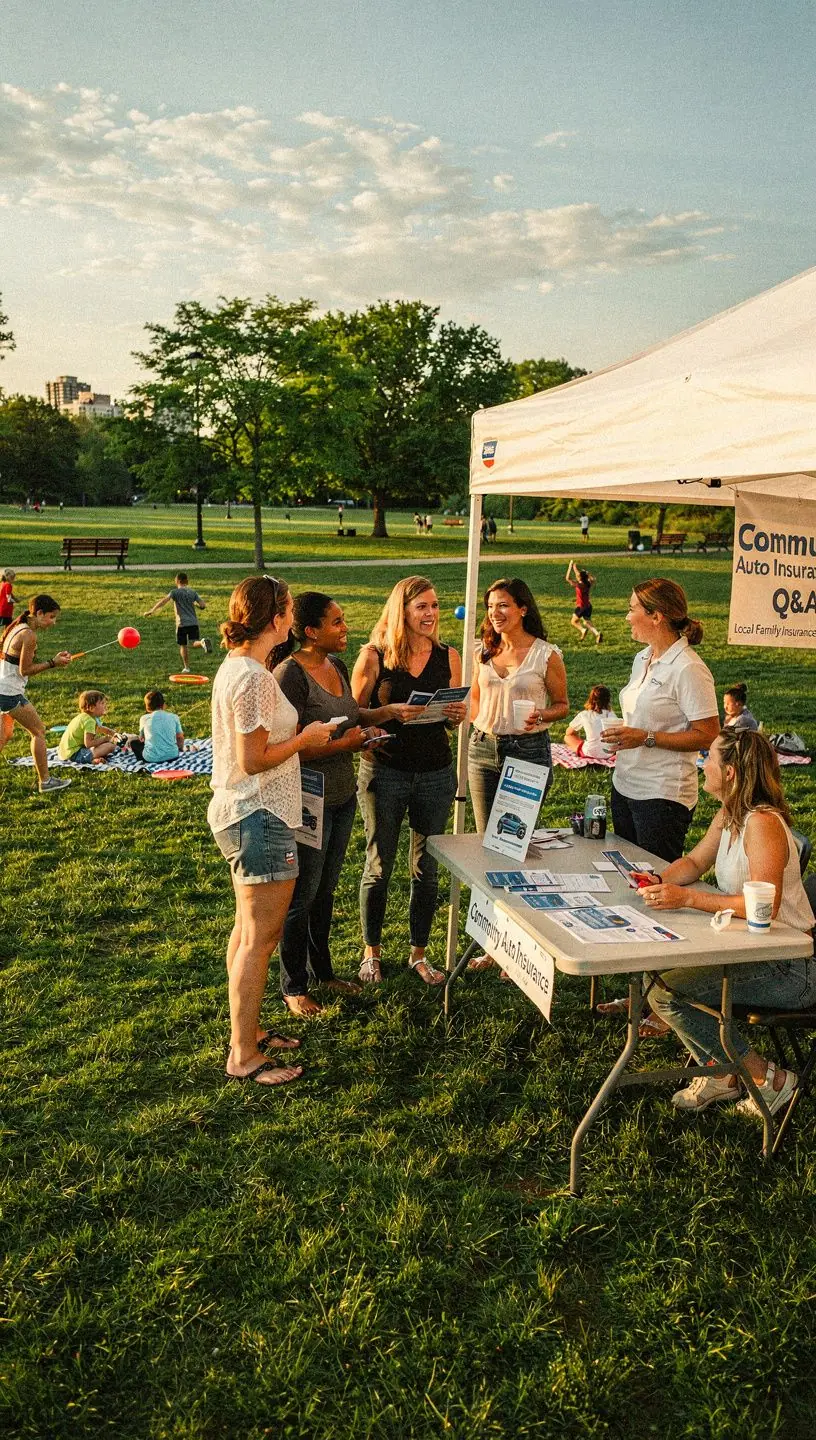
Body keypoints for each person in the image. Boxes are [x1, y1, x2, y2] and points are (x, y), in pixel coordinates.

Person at [641, 729, 816, 1117]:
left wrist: (688, 899)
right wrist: (656, 880)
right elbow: (694, 863)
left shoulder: (762, 823)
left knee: (667, 993)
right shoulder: (730, 813)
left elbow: (763, 907)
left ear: (731, 772)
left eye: (709, 757)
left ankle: (767, 1078)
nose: (702, 763)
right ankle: (722, 1074)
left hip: (790, 967)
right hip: (752, 950)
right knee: (663, 980)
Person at [208, 575, 337, 1086]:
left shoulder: (239, 667)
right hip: (259, 815)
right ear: (278, 618)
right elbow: (254, 759)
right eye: (288, 609)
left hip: (248, 813)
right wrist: (306, 738)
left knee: (247, 933)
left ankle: (249, 1031)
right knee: (260, 939)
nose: (292, 618)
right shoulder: (254, 677)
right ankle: (243, 1055)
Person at [275, 592, 405, 1015]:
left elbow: (350, 716)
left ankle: (323, 973)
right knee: (302, 895)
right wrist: (345, 745)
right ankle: (294, 986)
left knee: (325, 891)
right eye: (337, 622)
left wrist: (385, 714)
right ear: (311, 631)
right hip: (308, 800)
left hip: (343, 796)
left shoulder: (337, 665)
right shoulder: (290, 675)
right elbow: (289, 747)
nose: (345, 627)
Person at [351, 575, 468, 985]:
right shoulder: (374, 656)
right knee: (378, 865)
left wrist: (456, 716)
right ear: (401, 610)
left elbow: (453, 715)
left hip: (435, 773)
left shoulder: (448, 655)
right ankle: (371, 953)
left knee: (426, 869)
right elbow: (353, 714)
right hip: (385, 771)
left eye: (435, 605)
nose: (431, 613)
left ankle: (418, 953)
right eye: (422, 606)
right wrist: (389, 712)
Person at [601, 579, 720, 863]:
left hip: (662, 796)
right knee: (626, 875)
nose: (627, 617)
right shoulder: (642, 657)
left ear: (656, 616)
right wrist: (625, 735)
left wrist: (646, 737)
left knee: (654, 879)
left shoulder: (688, 668)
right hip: (625, 785)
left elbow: (708, 734)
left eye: (632, 609)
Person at [0, 594, 73, 793]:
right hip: (9, 693)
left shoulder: (17, 627)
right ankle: (46, 781)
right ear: (39, 613)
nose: (53, 622)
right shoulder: (29, 635)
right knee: (39, 731)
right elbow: (25, 670)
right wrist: (53, 663)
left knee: (4, 734)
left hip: (3, 688)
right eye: (51, 617)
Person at [144, 572, 212, 673]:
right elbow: (203, 605)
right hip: (193, 623)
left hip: (182, 624)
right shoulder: (193, 592)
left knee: (183, 645)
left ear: (177, 581)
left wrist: (152, 610)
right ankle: (202, 642)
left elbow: (164, 601)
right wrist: (195, 605)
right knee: (193, 642)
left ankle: (187, 668)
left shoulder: (174, 592)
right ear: (187, 581)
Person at [58, 690, 118, 764]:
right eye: (102, 703)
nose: (105, 706)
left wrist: (113, 733)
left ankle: (93, 759)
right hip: (73, 754)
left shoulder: (86, 717)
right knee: (110, 746)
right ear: (91, 708)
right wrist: (106, 739)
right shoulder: (89, 721)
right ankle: (90, 760)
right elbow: (88, 744)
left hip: (65, 752)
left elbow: (100, 728)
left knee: (105, 744)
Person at [564, 684, 620, 760]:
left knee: (567, 737)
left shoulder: (584, 715)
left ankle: (587, 747)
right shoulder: (613, 716)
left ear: (591, 699)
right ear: (608, 700)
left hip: (589, 753)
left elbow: (569, 732)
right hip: (609, 754)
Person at [130, 690, 184, 764]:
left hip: (151, 759)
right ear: (163, 704)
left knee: (133, 743)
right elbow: (180, 737)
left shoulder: (144, 718)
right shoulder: (174, 717)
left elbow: (142, 738)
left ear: (147, 706)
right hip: (173, 756)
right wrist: (180, 749)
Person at [565, 559, 602, 643]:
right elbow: (592, 579)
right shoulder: (588, 583)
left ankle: (582, 630)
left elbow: (567, 578)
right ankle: (597, 633)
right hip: (588, 606)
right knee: (586, 622)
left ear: (579, 578)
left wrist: (570, 566)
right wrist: (576, 568)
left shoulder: (578, 585)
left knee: (573, 621)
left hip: (581, 607)